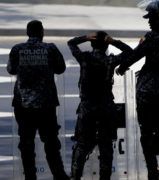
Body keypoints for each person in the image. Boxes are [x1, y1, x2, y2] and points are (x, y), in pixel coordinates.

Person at [116, 1, 159, 179]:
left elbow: (134, 55)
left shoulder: (151, 37)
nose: (148, 21)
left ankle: (153, 171)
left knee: (146, 133)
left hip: (147, 93)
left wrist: (121, 67)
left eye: (151, 17)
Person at [7, 20, 69, 180]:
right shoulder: (50, 48)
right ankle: (59, 176)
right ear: (42, 32)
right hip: (46, 104)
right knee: (51, 143)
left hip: (23, 104)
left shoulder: (17, 49)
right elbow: (61, 68)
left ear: (28, 33)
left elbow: (11, 69)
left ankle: (30, 177)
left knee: (26, 144)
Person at [67, 31, 132, 180]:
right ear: (106, 44)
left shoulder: (84, 58)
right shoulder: (110, 61)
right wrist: (113, 41)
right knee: (106, 146)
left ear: (92, 43)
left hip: (87, 107)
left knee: (82, 145)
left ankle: (76, 176)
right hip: (106, 107)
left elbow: (71, 43)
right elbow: (129, 52)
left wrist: (84, 37)